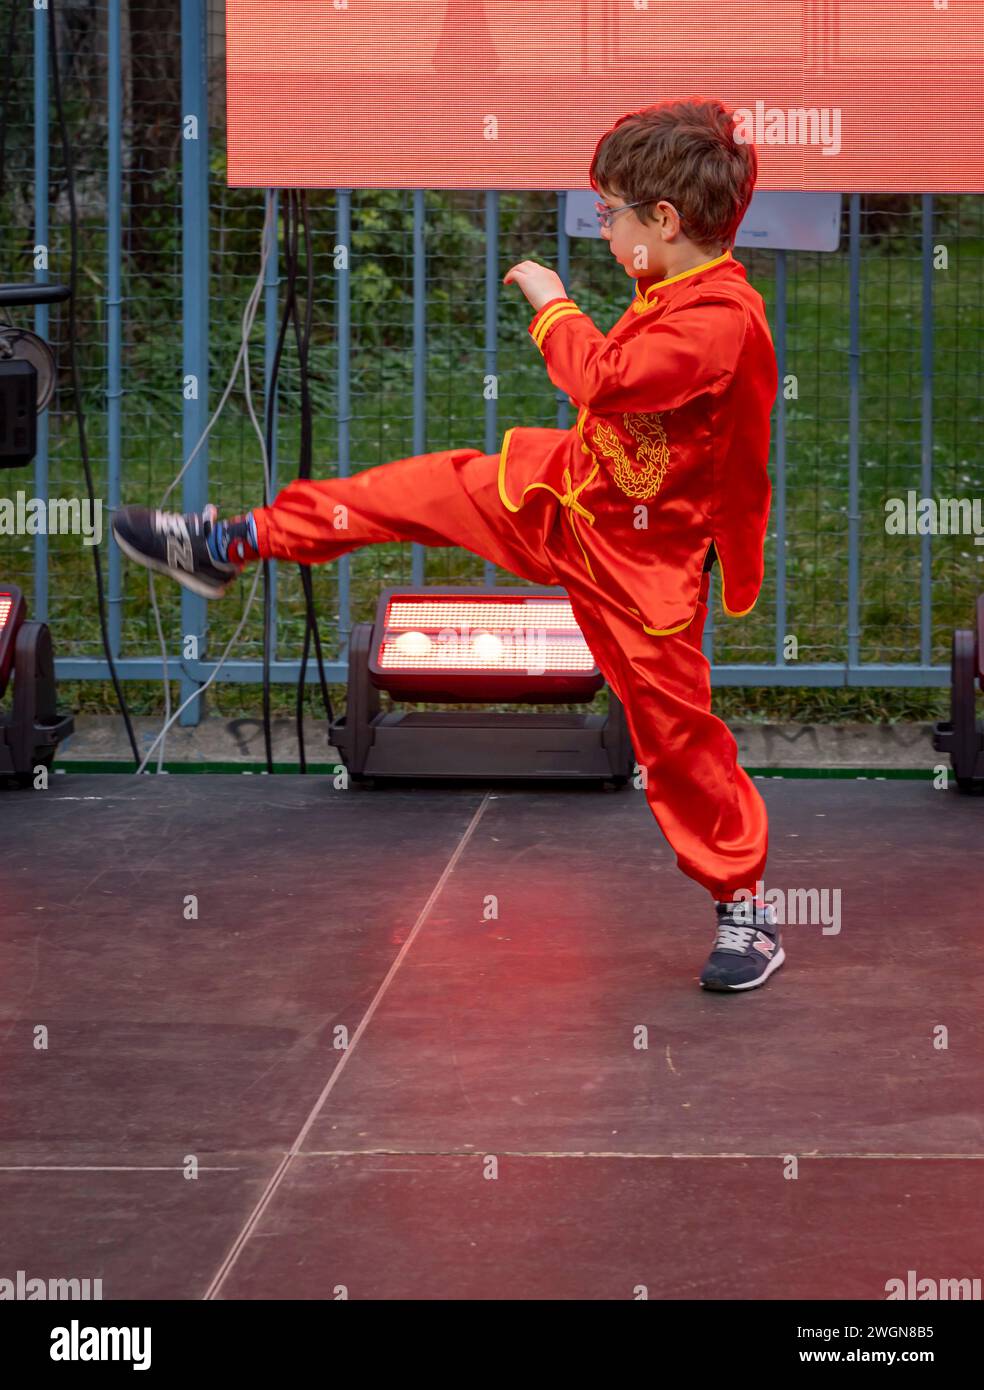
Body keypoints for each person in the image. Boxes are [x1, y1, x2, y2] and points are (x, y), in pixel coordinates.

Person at [112, 95, 783, 992]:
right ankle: (231, 543)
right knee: (405, 492)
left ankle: (745, 910)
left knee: (678, 744)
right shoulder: (670, 283)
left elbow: (605, 377)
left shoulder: (723, 318)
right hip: (559, 497)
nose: (602, 226)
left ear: (663, 220)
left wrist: (549, 298)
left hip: (642, 569)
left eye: (611, 212)